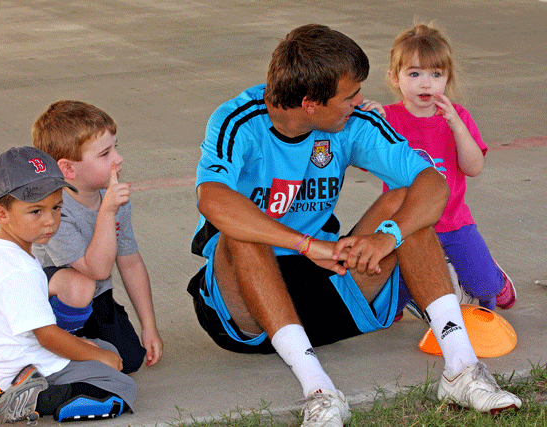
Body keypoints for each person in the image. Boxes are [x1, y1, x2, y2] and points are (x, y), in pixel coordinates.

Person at [187, 24, 521, 427]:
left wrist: (388, 237)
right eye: (349, 96)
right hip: (248, 304)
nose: (360, 101)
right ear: (311, 103)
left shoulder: (353, 122)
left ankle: (462, 371)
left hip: (330, 278)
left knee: (405, 199)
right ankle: (320, 393)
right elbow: (212, 199)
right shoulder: (238, 120)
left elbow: (434, 183)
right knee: (240, 229)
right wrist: (307, 244)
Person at [0, 146, 137, 426]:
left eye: (56, 207)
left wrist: (97, 351)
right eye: (35, 211)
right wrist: (97, 356)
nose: (50, 220)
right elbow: (47, 337)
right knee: (121, 386)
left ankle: (17, 387)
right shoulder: (17, 269)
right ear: (1, 213)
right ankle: (34, 399)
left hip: (16, 362)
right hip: (30, 363)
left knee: (111, 352)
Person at [367, 23, 516, 312]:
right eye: (415, 73)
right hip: (407, 226)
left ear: (447, 79)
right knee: (386, 307)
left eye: (436, 74)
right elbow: (369, 162)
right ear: (394, 78)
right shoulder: (389, 119)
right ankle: (411, 293)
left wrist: (457, 128)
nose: (426, 84)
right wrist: (371, 125)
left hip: (454, 222)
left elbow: (473, 168)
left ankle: (495, 275)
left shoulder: (457, 116)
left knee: (484, 289)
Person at [31, 100, 163, 375]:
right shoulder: (54, 209)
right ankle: (44, 348)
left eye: (116, 147)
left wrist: (149, 326)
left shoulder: (114, 198)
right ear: (68, 169)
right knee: (81, 285)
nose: (118, 158)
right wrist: (108, 209)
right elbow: (98, 269)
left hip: (97, 295)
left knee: (129, 359)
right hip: (51, 303)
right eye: (105, 154)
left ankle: (81, 347)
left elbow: (130, 262)